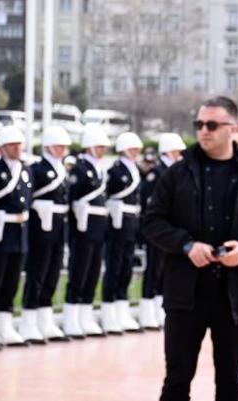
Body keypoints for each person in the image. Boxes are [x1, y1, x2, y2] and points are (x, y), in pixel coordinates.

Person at [143, 96, 238, 401]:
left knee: (231, 382)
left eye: (212, 125)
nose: (203, 131)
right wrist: (186, 244)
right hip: (185, 293)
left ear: (232, 128)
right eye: (199, 124)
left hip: (235, 296)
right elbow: (152, 221)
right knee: (177, 380)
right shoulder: (177, 174)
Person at [0, 126, 33, 348]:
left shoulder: (25, 170)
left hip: (19, 233)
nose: (17, 148)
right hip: (0, 233)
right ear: (2, 147)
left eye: (19, 144)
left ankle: (5, 326)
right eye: (12, 144)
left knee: (11, 282)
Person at [19, 126, 72, 344]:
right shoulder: (37, 169)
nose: (62, 150)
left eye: (63, 146)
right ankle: (29, 320)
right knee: (37, 272)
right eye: (58, 146)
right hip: (41, 226)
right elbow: (28, 197)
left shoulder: (63, 169)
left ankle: (45, 318)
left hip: (59, 226)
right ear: (49, 146)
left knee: (52, 272)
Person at [65, 124, 112, 338]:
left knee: (93, 272)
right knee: (79, 271)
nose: (102, 150)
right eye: (99, 146)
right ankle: (71, 317)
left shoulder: (100, 169)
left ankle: (85, 314)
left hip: (98, 227)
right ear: (89, 147)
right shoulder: (80, 168)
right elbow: (72, 198)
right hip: (83, 228)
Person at [139, 132, 186, 330]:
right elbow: (149, 203)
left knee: (167, 270)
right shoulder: (157, 173)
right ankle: (147, 310)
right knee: (154, 269)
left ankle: (161, 309)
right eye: (177, 151)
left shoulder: (177, 171)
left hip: (174, 228)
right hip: (160, 229)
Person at [102, 131, 144, 334]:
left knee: (127, 266)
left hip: (131, 222)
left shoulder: (135, 169)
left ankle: (121, 306)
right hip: (117, 223)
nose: (136, 152)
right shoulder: (116, 171)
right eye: (133, 149)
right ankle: (109, 309)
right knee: (114, 265)